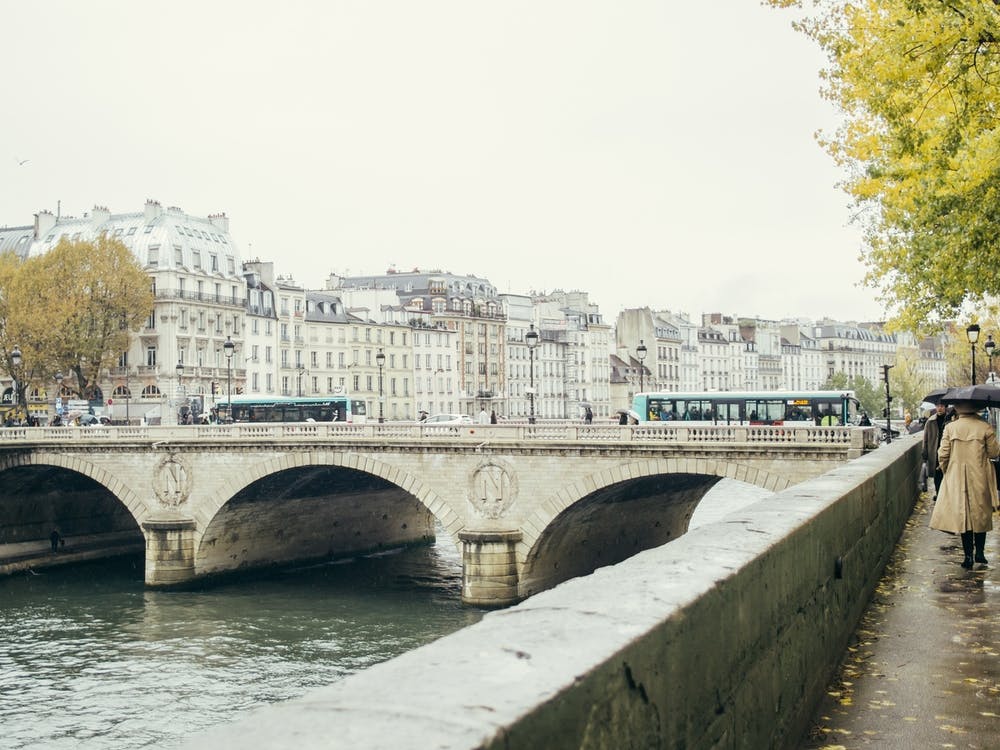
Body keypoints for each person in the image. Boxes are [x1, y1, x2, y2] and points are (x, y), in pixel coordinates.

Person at [930, 400, 1000, 569]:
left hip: (956, 475)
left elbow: (943, 454)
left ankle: (968, 556)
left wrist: (948, 470)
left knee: (964, 514)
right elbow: (994, 452)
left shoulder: (950, 428)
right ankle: (980, 553)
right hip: (980, 474)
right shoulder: (984, 427)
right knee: (980, 513)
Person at [922, 402, 948, 497]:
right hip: (934, 451)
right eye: (937, 406)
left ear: (945, 407)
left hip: (946, 451)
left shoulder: (950, 420)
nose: (939, 408)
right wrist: (924, 452)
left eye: (942, 406)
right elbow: (925, 439)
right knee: (937, 475)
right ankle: (938, 493)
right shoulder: (930, 421)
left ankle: (945, 495)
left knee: (947, 474)